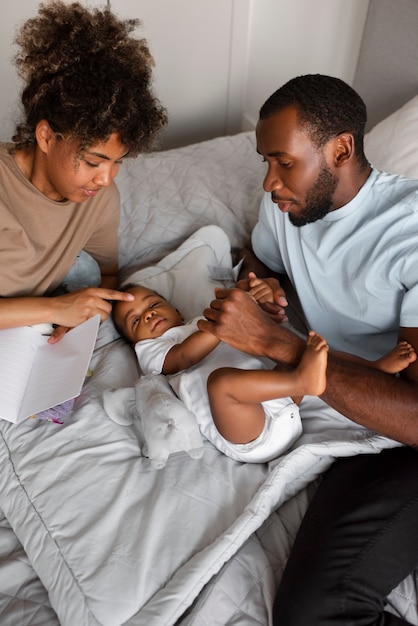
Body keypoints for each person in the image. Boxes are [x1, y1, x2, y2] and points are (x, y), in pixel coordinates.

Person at [197, 74, 418, 624]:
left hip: (401, 425)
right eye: (264, 162)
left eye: (283, 161)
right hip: (351, 415)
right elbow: (259, 258)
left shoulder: (410, 232)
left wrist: (271, 340)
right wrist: (264, 286)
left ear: (341, 148)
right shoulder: (287, 205)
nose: (270, 181)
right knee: (311, 611)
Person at [0, 1, 167, 342]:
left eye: (117, 162)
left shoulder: (100, 198)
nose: (106, 179)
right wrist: (55, 309)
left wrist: (82, 316)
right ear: (46, 136)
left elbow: (107, 274)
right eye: (93, 162)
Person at [112, 280, 415, 464]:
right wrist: (229, 321)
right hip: (248, 433)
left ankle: (374, 369)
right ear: (134, 342)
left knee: (301, 349)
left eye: (152, 304)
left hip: (279, 398)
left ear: (176, 310)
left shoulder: (199, 321)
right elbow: (182, 357)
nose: (148, 314)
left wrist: (250, 298)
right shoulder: (151, 351)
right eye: (135, 321)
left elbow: (252, 328)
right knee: (221, 383)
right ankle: (302, 380)